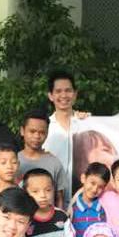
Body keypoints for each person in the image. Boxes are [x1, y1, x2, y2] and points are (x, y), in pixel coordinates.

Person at [42, 70, 82, 199]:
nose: (63, 95)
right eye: (58, 91)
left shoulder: (86, 124)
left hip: (83, 197)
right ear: (50, 95)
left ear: (75, 94)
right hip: (51, 198)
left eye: (68, 90)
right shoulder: (44, 128)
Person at [16, 108, 66, 208]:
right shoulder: (13, 162)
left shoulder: (54, 163)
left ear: (47, 134)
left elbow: (59, 197)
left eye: (42, 132)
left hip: (48, 221)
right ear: (22, 131)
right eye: (32, 131)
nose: (37, 136)